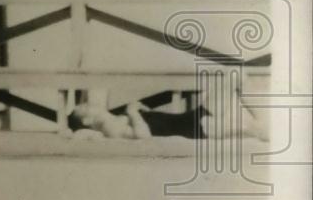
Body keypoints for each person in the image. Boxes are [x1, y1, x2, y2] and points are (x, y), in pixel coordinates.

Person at [67, 90, 268, 141]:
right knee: (250, 130)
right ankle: (264, 128)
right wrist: (132, 112)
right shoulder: (110, 128)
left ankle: (262, 123)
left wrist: (134, 111)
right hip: (192, 128)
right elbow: (143, 137)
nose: (89, 104)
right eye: (85, 108)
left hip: (190, 118)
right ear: (86, 120)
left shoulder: (113, 118)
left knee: (233, 77)